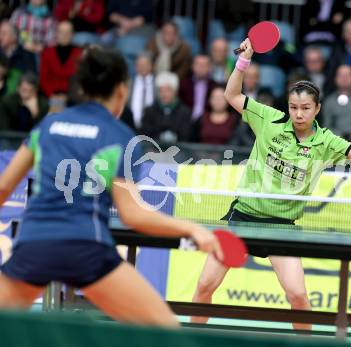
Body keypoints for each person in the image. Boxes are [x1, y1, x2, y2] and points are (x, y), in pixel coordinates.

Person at [0, 47, 222, 327]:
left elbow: (3, 189)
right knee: (166, 331)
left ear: (81, 87)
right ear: (121, 90)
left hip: (33, 247)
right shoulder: (118, 135)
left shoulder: (48, 125)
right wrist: (191, 228)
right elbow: (133, 215)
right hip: (87, 250)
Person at [191, 38, 351, 329]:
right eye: (294, 107)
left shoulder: (325, 141)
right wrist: (244, 61)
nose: (298, 114)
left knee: (298, 296)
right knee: (205, 286)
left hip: (281, 228)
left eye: (305, 108)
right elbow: (231, 95)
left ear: (317, 109)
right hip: (242, 219)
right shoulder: (269, 119)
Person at [140, 71, 192, 143]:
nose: (164, 94)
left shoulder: (185, 112)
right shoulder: (149, 111)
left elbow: (186, 136)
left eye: (168, 90)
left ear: (175, 91)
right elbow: (145, 135)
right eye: (161, 90)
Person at [39, 21, 83, 98]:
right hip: (52, 94)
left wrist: (69, 95)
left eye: (68, 32)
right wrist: (52, 95)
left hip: (73, 95)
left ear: (73, 34)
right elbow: (43, 79)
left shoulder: (80, 53)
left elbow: (81, 78)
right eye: (61, 32)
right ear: (56, 34)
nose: (64, 35)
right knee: (57, 105)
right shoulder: (47, 52)